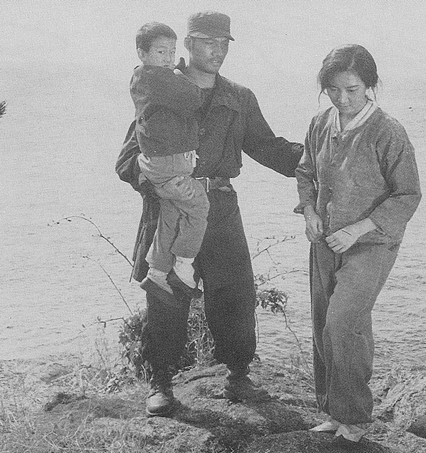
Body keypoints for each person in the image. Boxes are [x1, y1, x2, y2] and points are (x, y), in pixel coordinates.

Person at [116, 10, 304, 417]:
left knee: (235, 293)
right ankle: (161, 383)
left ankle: (238, 374)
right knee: (166, 295)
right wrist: (157, 183)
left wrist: (315, 159)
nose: (216, 51)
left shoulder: (239, 97)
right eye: (207, 43)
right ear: (187, 44)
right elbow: (128, 159)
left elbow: (268, 147)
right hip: (170, 204)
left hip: (220, 206)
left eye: (223, 44)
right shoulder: (159, 84)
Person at [295, 44, 422, 443]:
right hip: (324, 240)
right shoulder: (320, 124)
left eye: (351, 89)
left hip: (372, 243)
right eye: (333, 90)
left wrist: (359, 228)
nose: (342, 98)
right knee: (322, 324)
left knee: (343, 323)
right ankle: (333, 413)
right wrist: (310, 212)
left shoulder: (388, 131)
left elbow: (408, 194)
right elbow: (305, 172)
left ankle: (354, 418)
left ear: (369, 85)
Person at [131, 22, 209, 298]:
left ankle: (157, 272)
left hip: (162, 164)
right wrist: (181, 74)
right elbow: (193, 98)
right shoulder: (157, 78)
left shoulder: (146, 79)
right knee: (199, 206)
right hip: (170, 164)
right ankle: (184, 265)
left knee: (171, 216)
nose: (168, 58)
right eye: (161, 52)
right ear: (142, 53)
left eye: (172, 52)